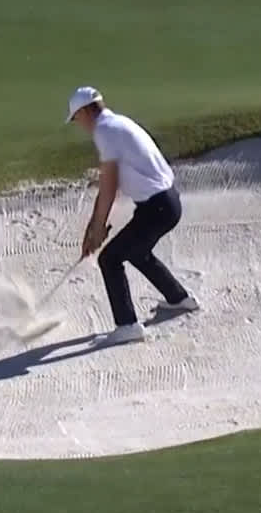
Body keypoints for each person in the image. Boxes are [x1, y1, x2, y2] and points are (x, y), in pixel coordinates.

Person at [66, 86, 199, 346]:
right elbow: (108, 183)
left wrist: (98, 229)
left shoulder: (104, 131)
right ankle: (179, 298)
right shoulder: (118, 123)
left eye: (75, 118)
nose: (77, 125)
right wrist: (94, 228)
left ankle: (127, 326)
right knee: (137, 251)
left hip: (157, 208)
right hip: (167, 203)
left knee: (110, 259)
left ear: (84, 111)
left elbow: (110, 187)